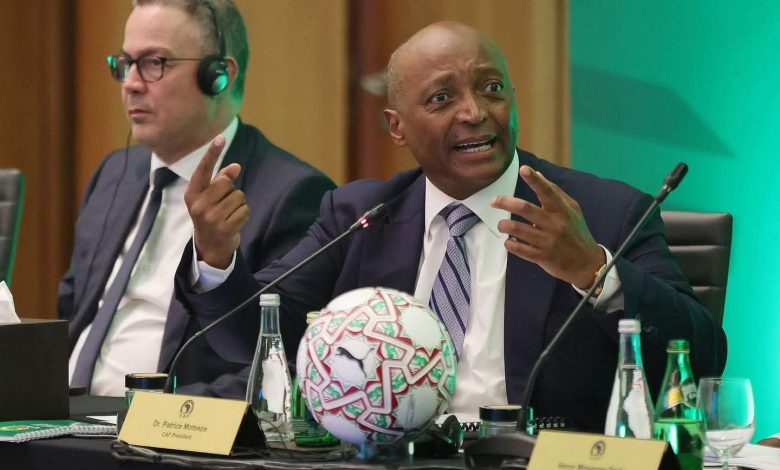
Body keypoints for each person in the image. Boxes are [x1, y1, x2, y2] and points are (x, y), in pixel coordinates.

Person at [177, 21, 726, 431]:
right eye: (442, 98)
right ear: (397, 127)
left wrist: (593, 270)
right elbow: (253, 338)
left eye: (492, 89)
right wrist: (216, 257)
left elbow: (701, 356)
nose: (475, 113)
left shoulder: (605, 212)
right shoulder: (360, 216)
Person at [59, 0, 334, 398]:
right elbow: (71, 309)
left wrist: (159, 418)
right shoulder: (113, 174)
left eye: (154, 63)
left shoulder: (293, 194)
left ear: (219, 76)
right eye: (125, 64)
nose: (131, 83)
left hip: (169, 423)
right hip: (65, 415)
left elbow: (282, 361)